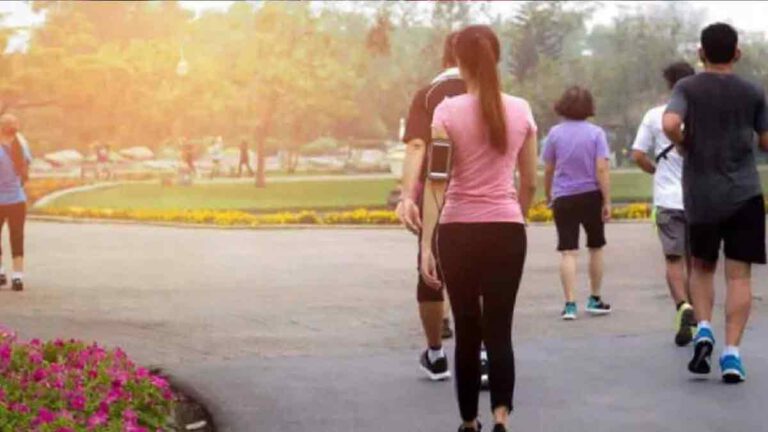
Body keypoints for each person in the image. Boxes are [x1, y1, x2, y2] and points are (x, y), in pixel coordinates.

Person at [420, 25, 538, 432]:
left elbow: (437, 180)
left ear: (457, 61)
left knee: (468, 330)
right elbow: (531, 181)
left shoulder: (446, 112)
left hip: (458, 231)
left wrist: (426, 245)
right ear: (496, 58)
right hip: (507, 230)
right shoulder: (521, 110)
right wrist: (515, 215)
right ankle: (501, 416)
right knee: (500, 329)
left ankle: (469, 422)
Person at [663, 23, 768, 383]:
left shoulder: (686, 87)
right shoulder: (754, 91)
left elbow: (670, 121)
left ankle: (703, 328)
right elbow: (767, 140)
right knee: (739, 275)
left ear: (701, 53)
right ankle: (732, 354)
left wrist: (682, 142)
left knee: (702, 267)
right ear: (737, 52)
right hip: (744, 194)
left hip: (701, 194)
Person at [396, 31, 466, 382]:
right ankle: (481, 353)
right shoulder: (495, 97)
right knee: (482, 273)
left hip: (436, 195)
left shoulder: (428, 95)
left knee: (431, 269)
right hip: (484, 195)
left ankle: (437, 355)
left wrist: (407, 194)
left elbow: (417, 146)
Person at [632, 61, 697, 346]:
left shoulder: (655, 115)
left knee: (674, 259)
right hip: (700, 197)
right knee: (699, 263)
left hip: (668, 200)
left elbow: (637, 154)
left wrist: (654, 170)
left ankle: (683, 305)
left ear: (669, 84)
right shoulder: (701, 114)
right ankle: (700, 320)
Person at [542, 86, 612, 320]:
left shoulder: (554, 134)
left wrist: (549, 194)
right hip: (591, 195)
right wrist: (607, 200)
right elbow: (601, 168)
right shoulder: (596, 133)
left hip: (564, 196)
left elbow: (549, 168)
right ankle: (594, 298)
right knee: (595, 246)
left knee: (568, 252)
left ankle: (570, 304)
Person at [0, 114, 31, 292]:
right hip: (17, 199)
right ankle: (17, 277)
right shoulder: (22, 144)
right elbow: (26, 169)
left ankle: (1, 272)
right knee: (17, 237)